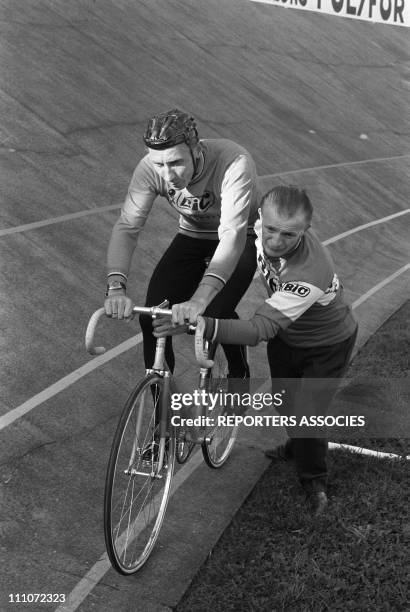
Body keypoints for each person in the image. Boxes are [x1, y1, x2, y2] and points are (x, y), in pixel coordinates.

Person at [154, 185, 358, 515]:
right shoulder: (256, 222)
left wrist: (199, 323)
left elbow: (259, 330)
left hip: (328, 343)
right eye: (272, 230)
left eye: (289, 235)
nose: (276, 242)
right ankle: (298, 445)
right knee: (286, 400)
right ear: (260, 217)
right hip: (289, 336)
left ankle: (314, 482)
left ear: (305, 231)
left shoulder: (311, 269)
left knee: (308, 413)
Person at [104, 108, 260, 377]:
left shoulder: (233, 162)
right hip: (193, 236)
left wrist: (199, 300)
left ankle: (238, 368)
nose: (167, 175)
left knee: (209, 317)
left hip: (242, 237)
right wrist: (115, 287)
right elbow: (128, 226)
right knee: (152, 318)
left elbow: (232, 233)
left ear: (196, 150)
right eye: (158, 165)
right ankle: (162, 408)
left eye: (175, 163)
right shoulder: (149, 169)